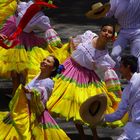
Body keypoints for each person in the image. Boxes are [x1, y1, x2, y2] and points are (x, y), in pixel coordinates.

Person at [47, 24, 123, 140]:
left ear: (112, 37)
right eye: (104, 30)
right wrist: (72, 53)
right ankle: (82, 135)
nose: (106, 33)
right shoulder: (89, 36)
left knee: (88, 104)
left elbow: (108, 74)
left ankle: (95, 135)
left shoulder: (105, 56)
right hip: (70, 69)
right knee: (74, 104)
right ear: (100, 31)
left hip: (86, 78)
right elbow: (73, 40)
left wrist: (117, 90)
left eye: (109, 32)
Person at [0, 0, 68, 96]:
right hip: (13, 33)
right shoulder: (28, 8)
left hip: (23, 41)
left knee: (21, 70)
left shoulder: (40, 17)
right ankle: (17, 93)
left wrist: (59, 46)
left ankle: (21, 94)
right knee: (15, 71)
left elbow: (49, 31)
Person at [0, 55, 70, 140]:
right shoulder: (38, 75)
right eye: (44, 59)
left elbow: (42, 93)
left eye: (48, 61)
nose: (44, 61)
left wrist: (32, 92)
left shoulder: (49, 82)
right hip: (22, 109)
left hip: (33, 114)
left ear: (53, 68)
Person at [104, 55, 140, 140]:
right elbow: (119, 114)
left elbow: (118, 114)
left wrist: (101, 118)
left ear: (128, 67)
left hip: (135, 131)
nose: (119, 70)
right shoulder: (127, 90)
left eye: (121, 67)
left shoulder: (127, 91)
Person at [106, 0, 140, 72]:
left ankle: (136, 80)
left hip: (137, 32)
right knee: (114, 54)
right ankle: (120, 73)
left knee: (136, 58)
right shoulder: (115, 0)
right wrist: (101, 11)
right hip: (122, 30)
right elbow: (108, 13)